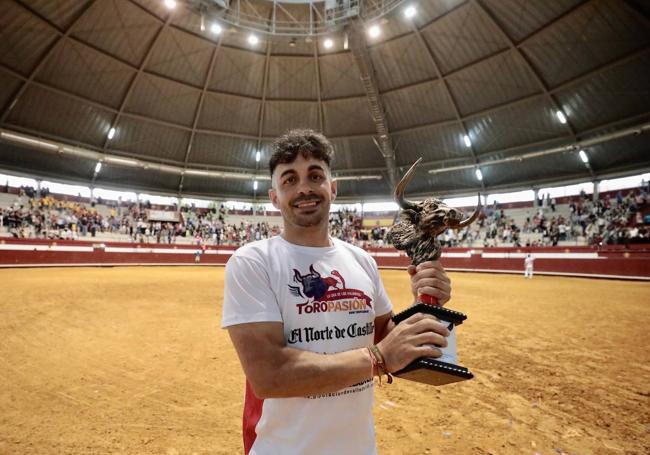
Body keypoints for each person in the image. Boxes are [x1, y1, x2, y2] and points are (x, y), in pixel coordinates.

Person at [221, 129, 454, 455]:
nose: (304, 188)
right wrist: (380, 358)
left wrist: (426, 306)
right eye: (289, 180)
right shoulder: (252, 262)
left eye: (314, 175)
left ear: (332, 188)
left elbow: (387, 337)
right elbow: (270, 375)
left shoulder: (362, 261)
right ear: (274, 197)